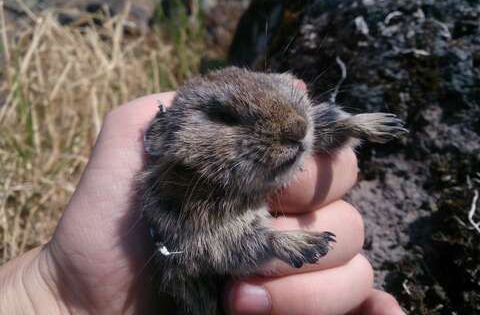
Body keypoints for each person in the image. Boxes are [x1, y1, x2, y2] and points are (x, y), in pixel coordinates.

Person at [0, 92, 405, 314]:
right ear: (167, 139)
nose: (294, 132)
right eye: (229, 119)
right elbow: (210, 246)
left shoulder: (294, 122)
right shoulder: (175, 193)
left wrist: (353, 125)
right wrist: (275, 243)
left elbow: (313, 124)